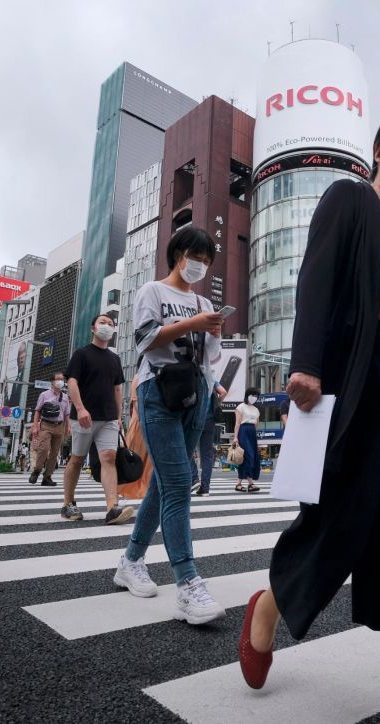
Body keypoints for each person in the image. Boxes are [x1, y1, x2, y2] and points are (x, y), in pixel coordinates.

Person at [237, 109, 380, 723]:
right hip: (364, 373)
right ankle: (270, 605)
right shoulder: (351, 199)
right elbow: (315, 281)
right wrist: (306, 364)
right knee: (343, 513)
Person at [114, 227, 225, 624]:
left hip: (197, 393)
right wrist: (194, 322)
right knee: (178, 484)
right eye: (196, 256)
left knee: (164, 486)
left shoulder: (202, 300)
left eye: (207, 260)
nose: (200, 265)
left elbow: (208, 354)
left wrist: (212, 331)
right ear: (178, 254)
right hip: (159, 390)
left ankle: (130, 561)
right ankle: (188, 583)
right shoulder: (153, 292)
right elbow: (145, 340)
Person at [59, 313, 132, 525]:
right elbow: (72, 382)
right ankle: (68, 503)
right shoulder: (81, 354)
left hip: (108, 417)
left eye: (110, 324)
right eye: (102, 322)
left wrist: (119, 417)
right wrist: (80, 409)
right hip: (84, 417)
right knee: (77, 459)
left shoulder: (115, 358)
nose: (106, 326)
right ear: (93, 328)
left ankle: (112, 508)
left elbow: (118, 389)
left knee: (109, 458)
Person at [29, 372, 70, 486]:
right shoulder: (44, 395)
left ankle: (47, 477)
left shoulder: (65, 397)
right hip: (46, 425)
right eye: (58, 379)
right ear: (52, 382)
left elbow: (67, 414)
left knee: (54, 453)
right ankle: (36, 470)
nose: (60, 381)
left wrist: (68, 427)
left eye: (62, 379)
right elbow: (37, 410)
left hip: (59, 426)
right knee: (43, 449)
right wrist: (35, 426)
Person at [193, 382, 227, 496]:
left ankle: (194, 479)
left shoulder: (193, 375)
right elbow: (223, 392)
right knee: (207, 455)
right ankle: (205, 488)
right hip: (209, 420)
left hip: (194, 419)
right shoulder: (212, 380)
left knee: (186, 450)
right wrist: (216, 403)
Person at [233, 387, 262, 493]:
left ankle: (238, 484)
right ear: (247, 395)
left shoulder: (256, 409)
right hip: (243, 431)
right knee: (248, 455)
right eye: (252, 395)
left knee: (251, 457)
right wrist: (235, 437)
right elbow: (237, 423)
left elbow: (257, 423)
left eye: (256, 396)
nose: (254, 397)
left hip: (252, 432)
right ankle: (250, 483)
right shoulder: (240, 407)